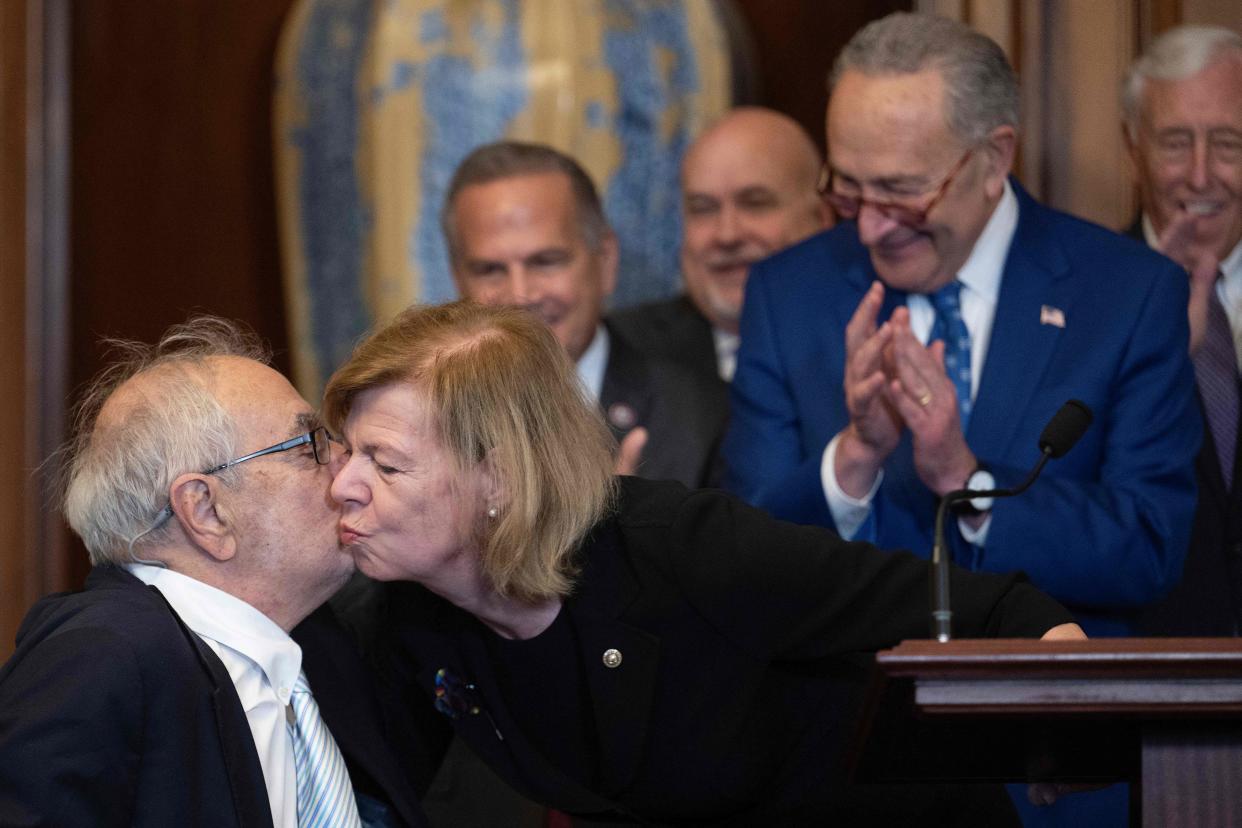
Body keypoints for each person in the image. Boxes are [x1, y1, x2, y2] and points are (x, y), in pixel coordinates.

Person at [324, 299, 1084, 826]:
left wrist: (1069, 721)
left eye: (385, 465)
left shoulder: (681, 547)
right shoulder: (410, 619)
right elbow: (377, 798)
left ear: (497, 479)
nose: (343, 486)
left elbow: (994, 608)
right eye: (347, 451)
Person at [723, 15, 1200, 823]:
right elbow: (742, 555)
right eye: (849, 187)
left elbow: (1149, 545)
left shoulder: (1125, 294)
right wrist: (855, 459)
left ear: (994, 157)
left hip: (1047, 778)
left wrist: (965, 481)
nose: (871, 224)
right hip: (838, 776)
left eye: (903, 190)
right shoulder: (789, 293)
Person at [0, 318, 424, 827]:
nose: (348, 469)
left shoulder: (324, 648)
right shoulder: (103, 655)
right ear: (205, 511)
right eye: (311, 445)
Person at [444, 140, 725, 488]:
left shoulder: (702, 416)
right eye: (490, 270)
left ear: (605, 261)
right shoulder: (427, 414)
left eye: (546, 262)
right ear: (458, 279)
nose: (519, 295)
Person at [1121, 25, 1242, 636]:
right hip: (1140, 678)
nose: (1200, 176)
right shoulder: (1084, 299)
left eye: (1227, 143)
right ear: (1131, 146)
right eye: (1175, 143)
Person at [610, 106, 831, 383]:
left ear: (821, 218)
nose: (727, 235)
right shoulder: (622, 353)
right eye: (703, 208)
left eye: (755, 203)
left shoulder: (873, 339)